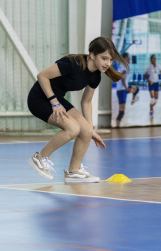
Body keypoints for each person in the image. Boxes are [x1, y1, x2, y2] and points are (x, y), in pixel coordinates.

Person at [27, 37, 126, 183]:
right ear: (92, 55)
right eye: (104, 58)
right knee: (73, 128)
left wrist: (90, 130)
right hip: (39, 99)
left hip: (57, 100)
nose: (108, 63)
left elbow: (86, 101)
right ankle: (40, 157)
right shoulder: (72, 64)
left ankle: (74, 171)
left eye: (110, 60)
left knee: (86, 130)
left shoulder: (96, 76)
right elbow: (42, 76)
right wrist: (54, 102)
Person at [115, 52, 139, 127]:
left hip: (123, 89)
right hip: (121, 90)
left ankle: (133, 100)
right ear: (125, 58)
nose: (130, 58)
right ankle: (117, 125)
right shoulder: (123, 67)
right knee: (122, 112)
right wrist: (126, 88)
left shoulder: (123, 65)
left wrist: (126, 87)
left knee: (136, 89)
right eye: (128, 57)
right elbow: (122, 77)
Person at [145, 54, 161, 120]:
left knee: (156, 100)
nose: (155, 59)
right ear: (151, 59)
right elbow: (145, 76)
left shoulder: (158, 66)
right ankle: (151, 111)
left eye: (155, 58)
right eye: (154, 58)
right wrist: (149, 81)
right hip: (151, 83)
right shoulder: (149, 67)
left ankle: (151, 106)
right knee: (152, 98)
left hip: (156, 83)